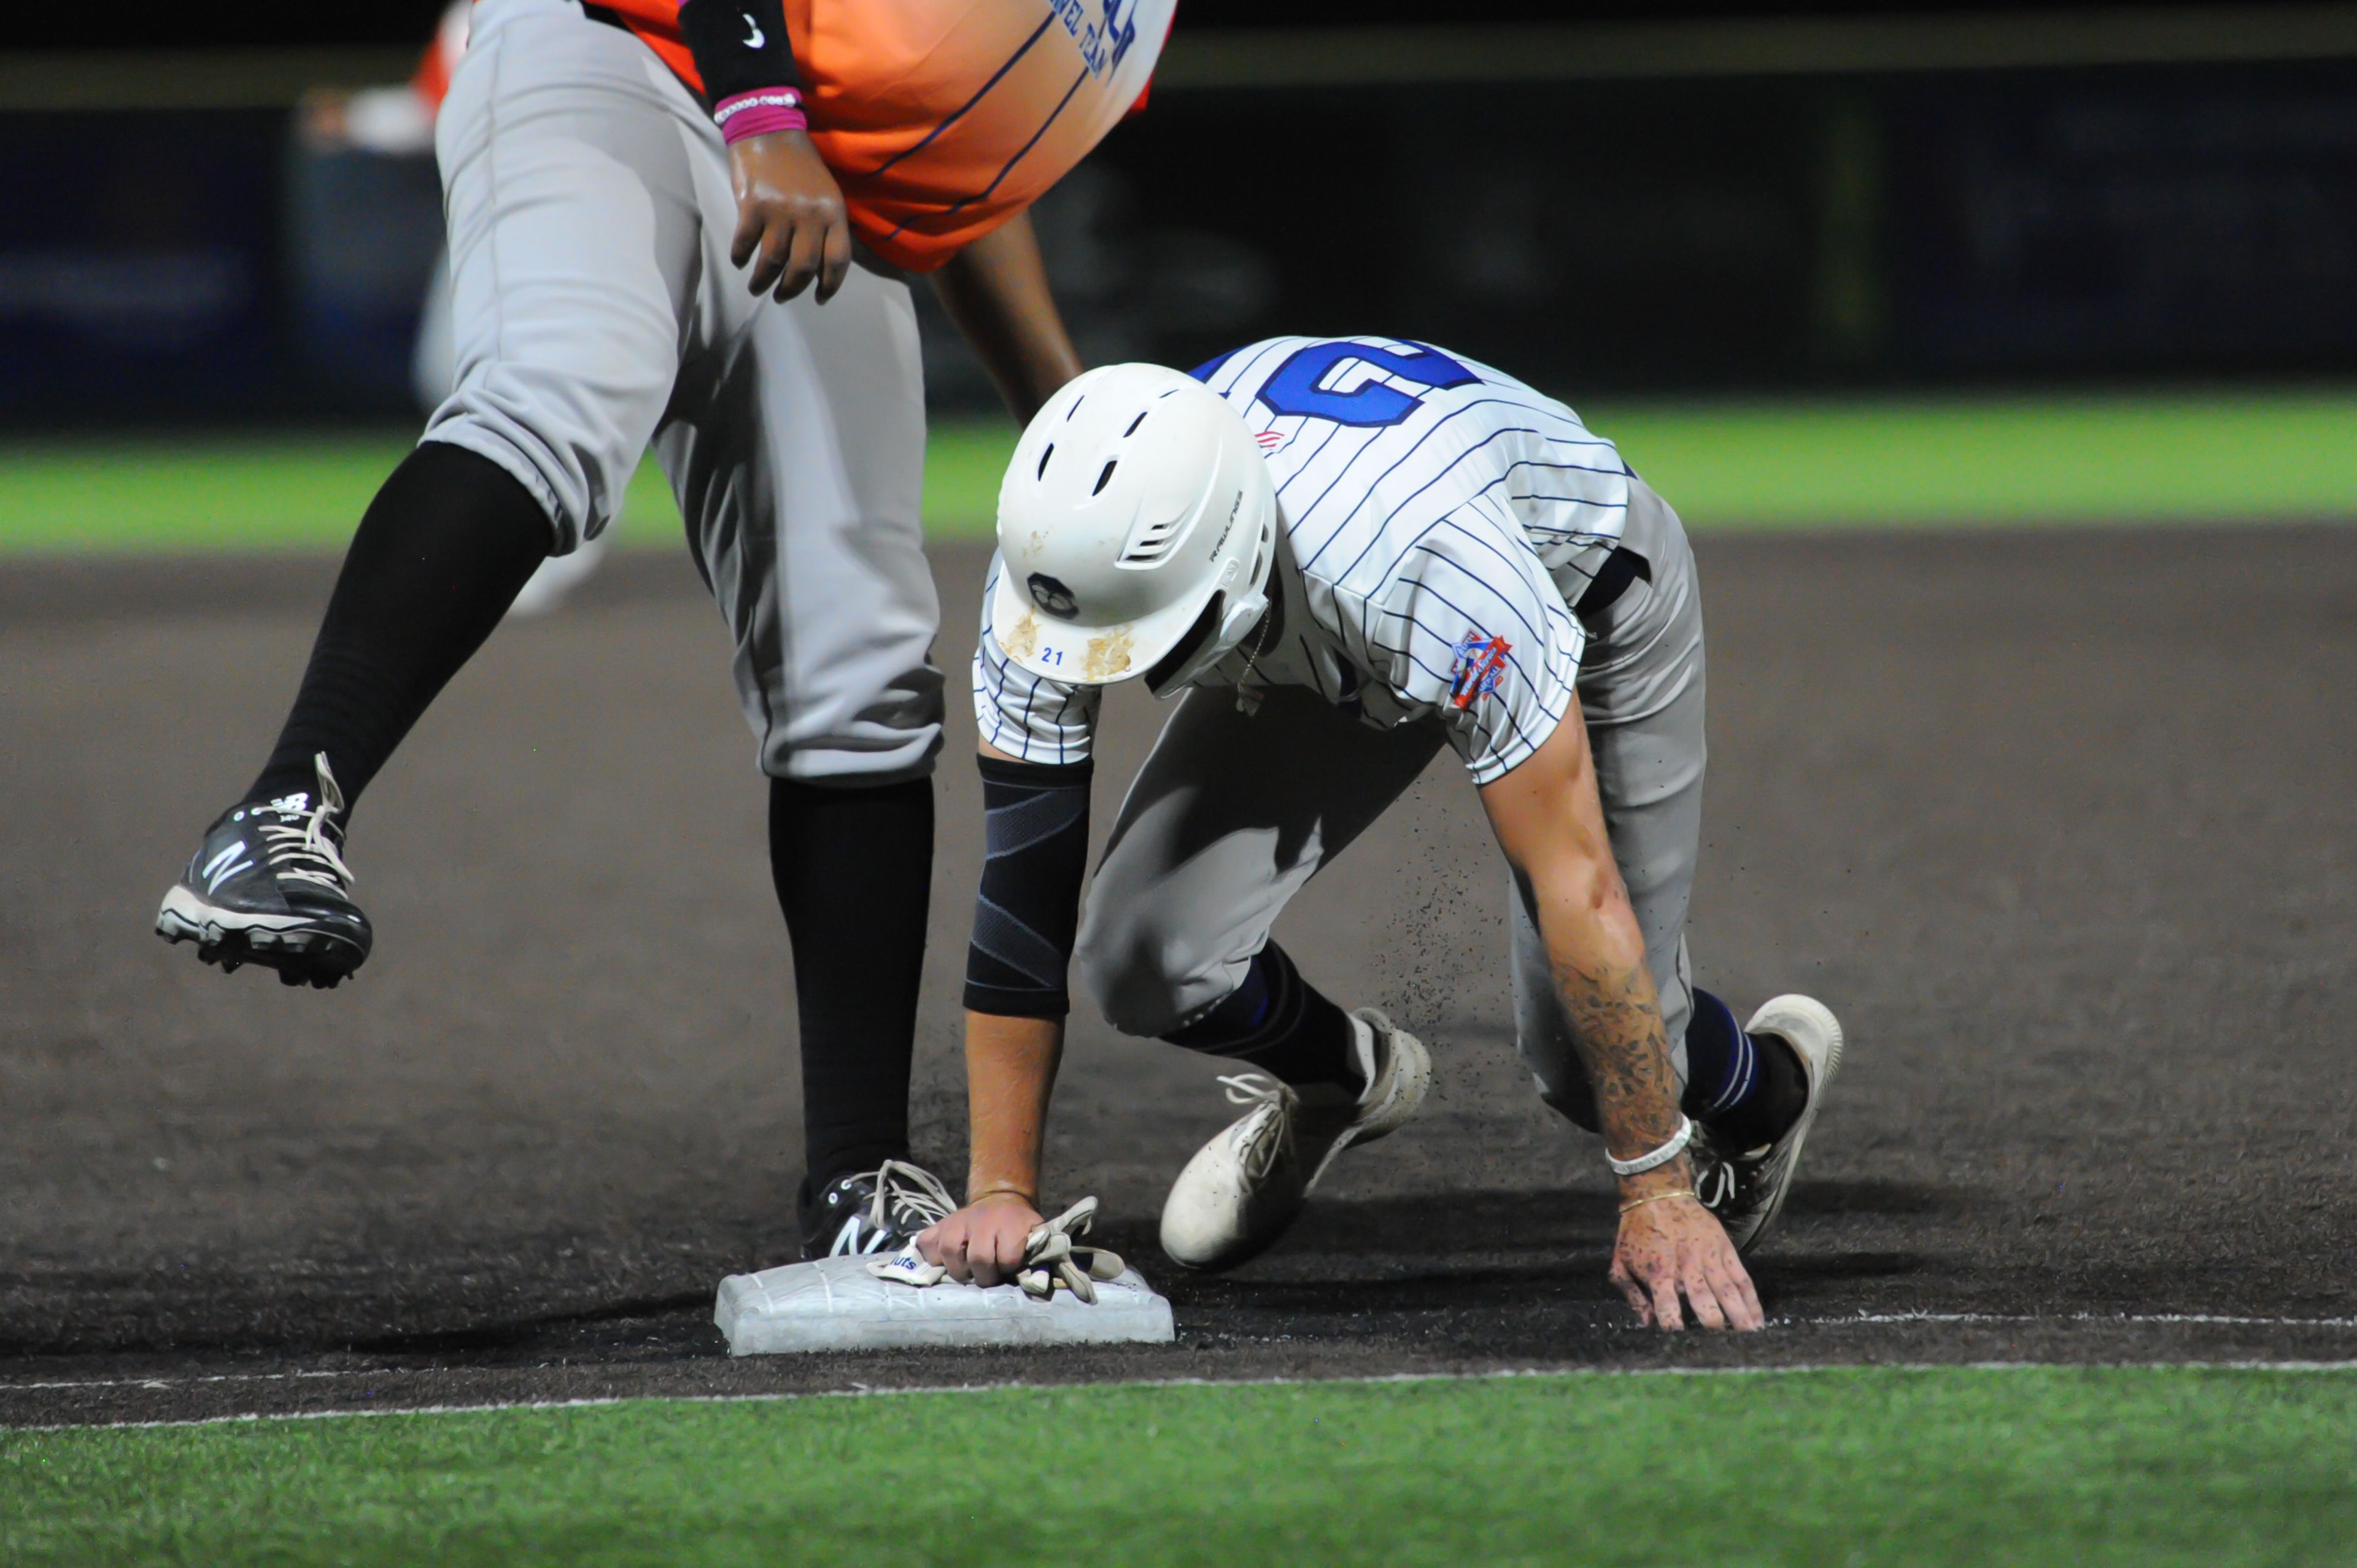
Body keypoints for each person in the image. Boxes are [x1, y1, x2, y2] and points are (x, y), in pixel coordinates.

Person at [155, 0, 1171, 1261]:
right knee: (554, 400)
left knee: (861, 652)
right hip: (617, 49)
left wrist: (1064, 423)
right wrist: (759, 108)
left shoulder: (1127, 24)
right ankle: (282, 811)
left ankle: (859, 1179)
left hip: (815, 162)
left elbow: (962, 180)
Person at [916, 342, 1846, 1331]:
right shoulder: (1060, 561)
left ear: (1226, 563)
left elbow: (1577, 886)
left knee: (1591, 1066)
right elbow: (1025, 887)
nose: (1110, 668)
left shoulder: (1425, 566)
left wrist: (1657, 1189)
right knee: (1145, 958)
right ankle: (1342, 1079)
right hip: (1310, 609)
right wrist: (1002, 1188)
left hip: (1583, 593)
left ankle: (1764, 1090)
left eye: (1150, 641)